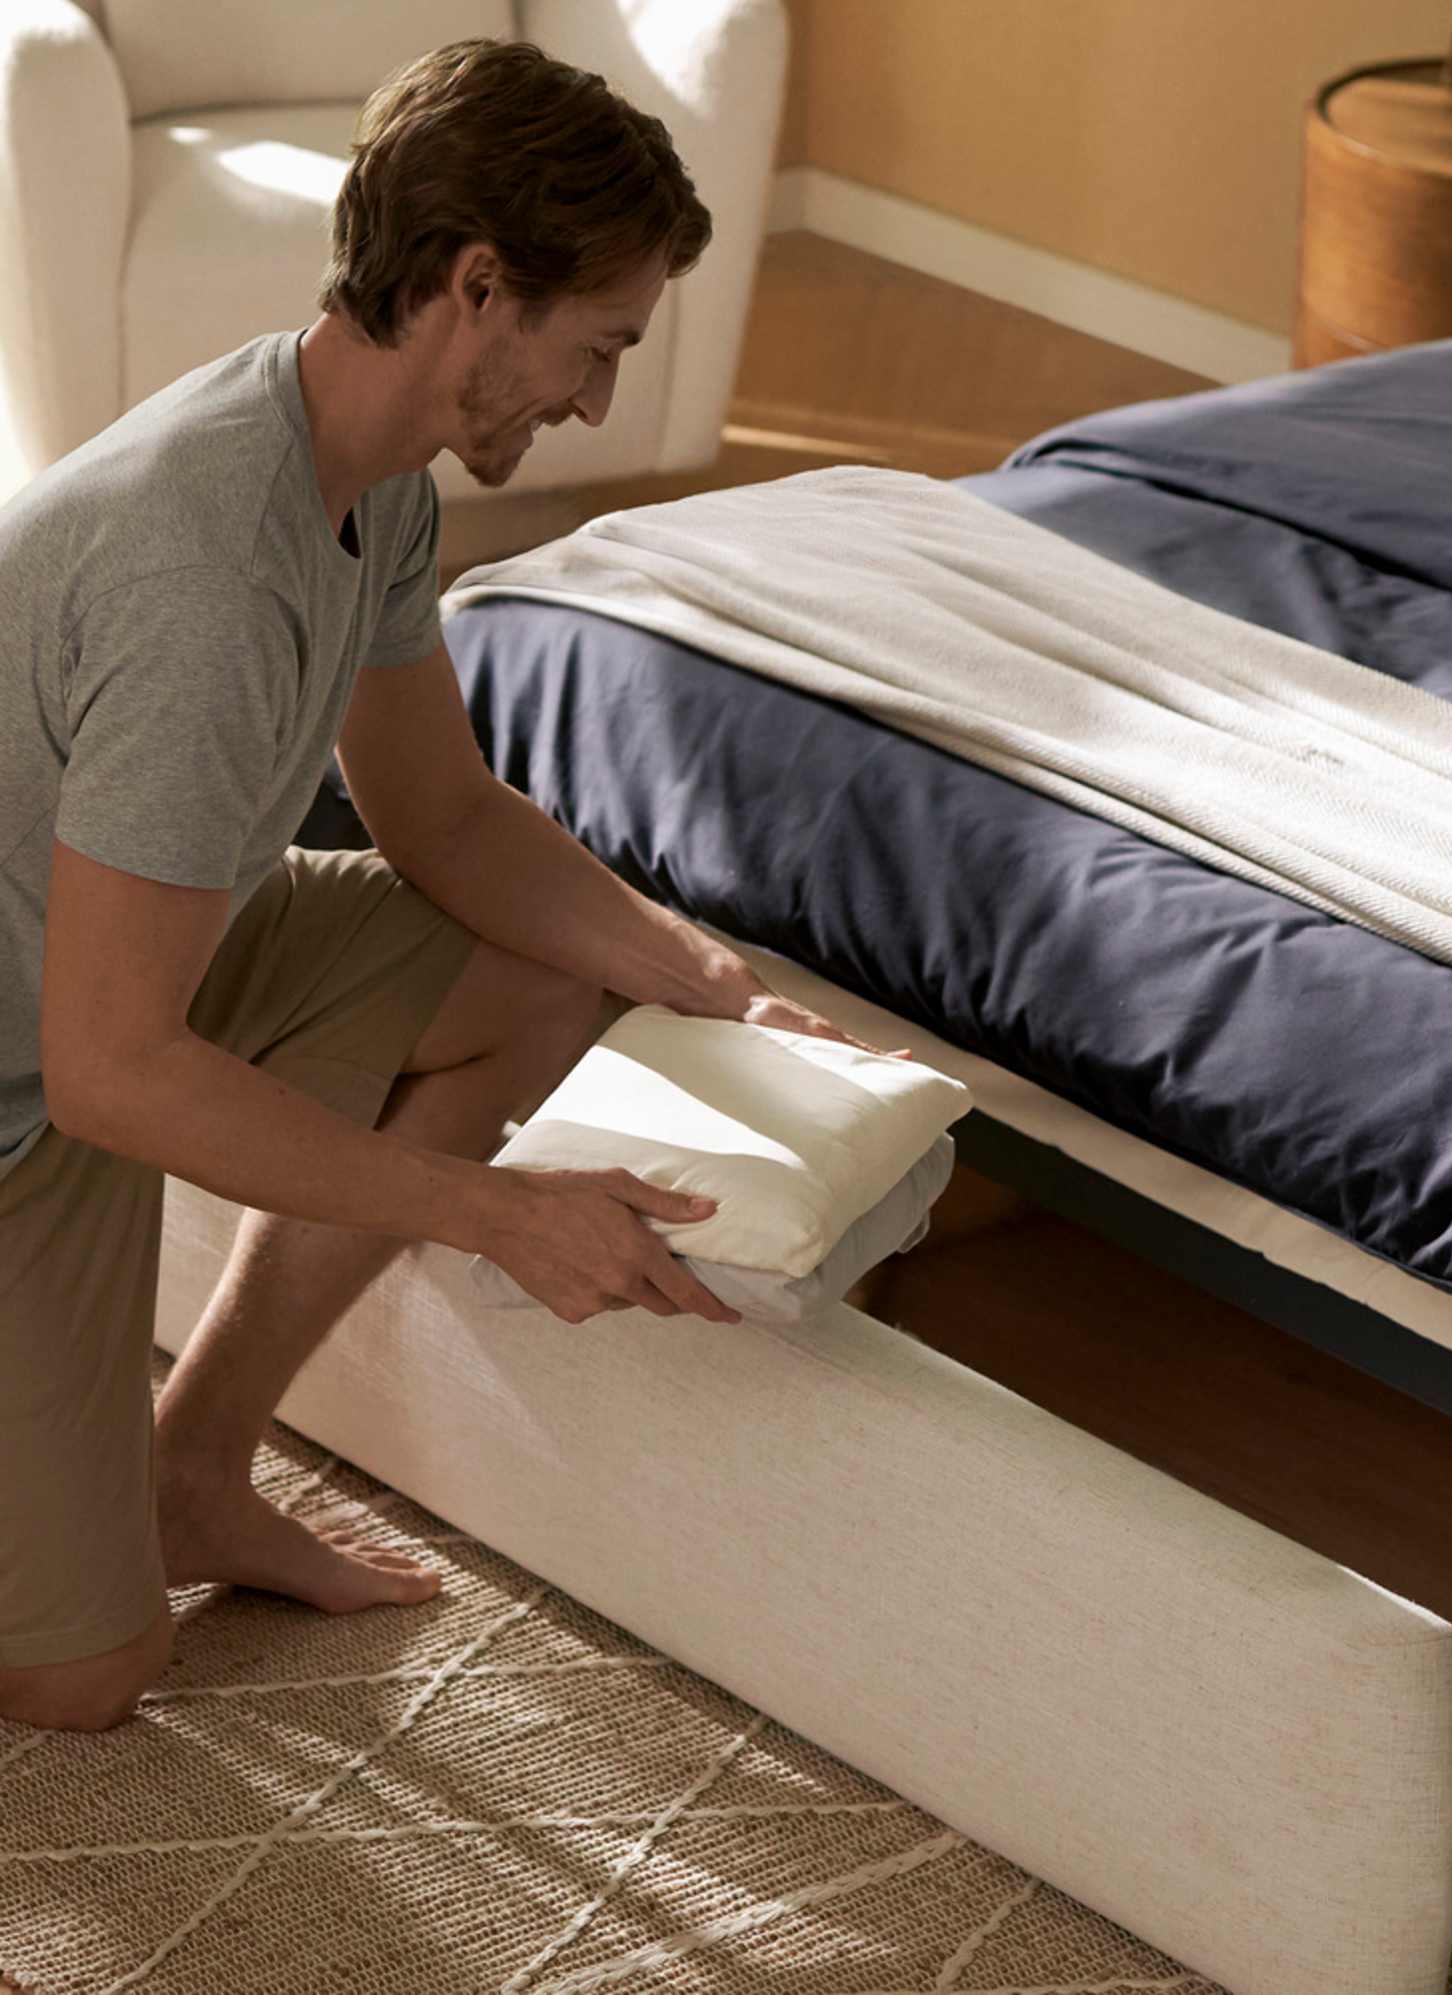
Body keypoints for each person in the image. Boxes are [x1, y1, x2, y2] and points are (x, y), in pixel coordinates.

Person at [0, 38, 881, 1734]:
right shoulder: (207, 576)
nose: (598, 405)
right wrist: (498, 1211)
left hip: (104, 971)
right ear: (478, 287)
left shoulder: (361, 473)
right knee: (82, 1680)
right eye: (597, 345)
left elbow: (448, 822)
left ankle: (193, 1472)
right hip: (40, 1075)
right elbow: (108, 1073)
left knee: (533, 975)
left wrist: (711, 984)